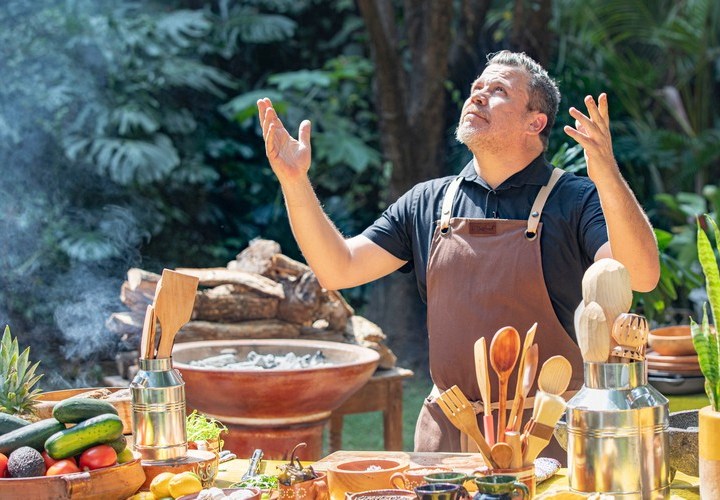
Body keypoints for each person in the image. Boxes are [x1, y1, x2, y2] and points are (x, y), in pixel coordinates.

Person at [257, 50, 659, 460]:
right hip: (447, 440)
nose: (477, 96)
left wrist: (607, 173)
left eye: (498, 90)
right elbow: (337, 268)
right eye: (476, 88)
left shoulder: (577, 199)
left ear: (535, 123)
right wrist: (294, 181)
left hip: (548, 441)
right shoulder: (426, 201)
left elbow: (640, 275)